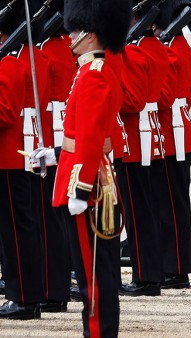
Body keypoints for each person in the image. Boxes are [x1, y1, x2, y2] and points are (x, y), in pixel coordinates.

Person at [34, 0, 131, 335]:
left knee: (94, 274)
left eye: (75, 31)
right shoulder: (89, 71)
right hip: (84, 175)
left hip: (88, 188)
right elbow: (81, 136)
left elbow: (91, 139)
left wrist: (80, 189)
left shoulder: (94, 74)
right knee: (92, 272)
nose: (70, 36)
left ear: (90, 35)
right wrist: (55, 153)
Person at [0, 0, 49, 320]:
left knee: (17, 232)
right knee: (23, 228)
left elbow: (4, 113)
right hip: (20, 154)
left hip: (9, 158)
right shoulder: (23, 59)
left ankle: (24, 298)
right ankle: (27, 293)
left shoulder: (9, 64)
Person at [119, 0, 171, 297]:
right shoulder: (155, 48)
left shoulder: (135, 52)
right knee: (146, 211)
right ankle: (149, 275)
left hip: (136, 141)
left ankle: (146, 277)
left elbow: (133, 100)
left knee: (138, 214)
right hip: (148, 138)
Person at [153, 0, 191, 290]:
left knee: (170, 205)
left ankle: (176, 268)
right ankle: (174, 264)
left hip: (172, 135)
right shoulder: (177, 46)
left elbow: (162, 99)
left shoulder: (172, 51)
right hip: (176, 133)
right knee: (172, 203)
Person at [35, 0, 77, 313]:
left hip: (49, 134)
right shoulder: (64, 46)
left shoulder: (46, 51)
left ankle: (54, 286)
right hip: (57, 132)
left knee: (49, 218)